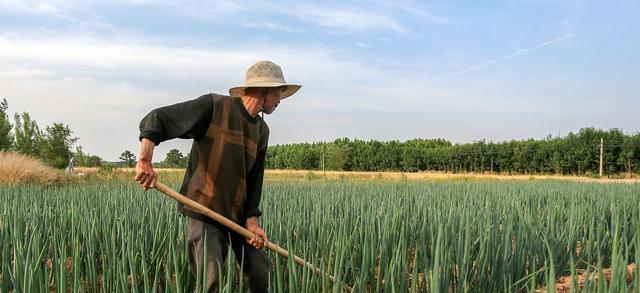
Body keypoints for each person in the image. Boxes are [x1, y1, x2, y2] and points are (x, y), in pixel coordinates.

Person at [134, 60, 301, 292]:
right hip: (204, 209)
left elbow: (255, 180)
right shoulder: (214, 106)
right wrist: (144, 160)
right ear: (264, 90)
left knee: (262, 272)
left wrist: (252, 220)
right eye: (279, 91)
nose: (280, 99)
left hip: (237, 217)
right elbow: (158, 118)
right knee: (211, 280)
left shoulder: (262, 130)